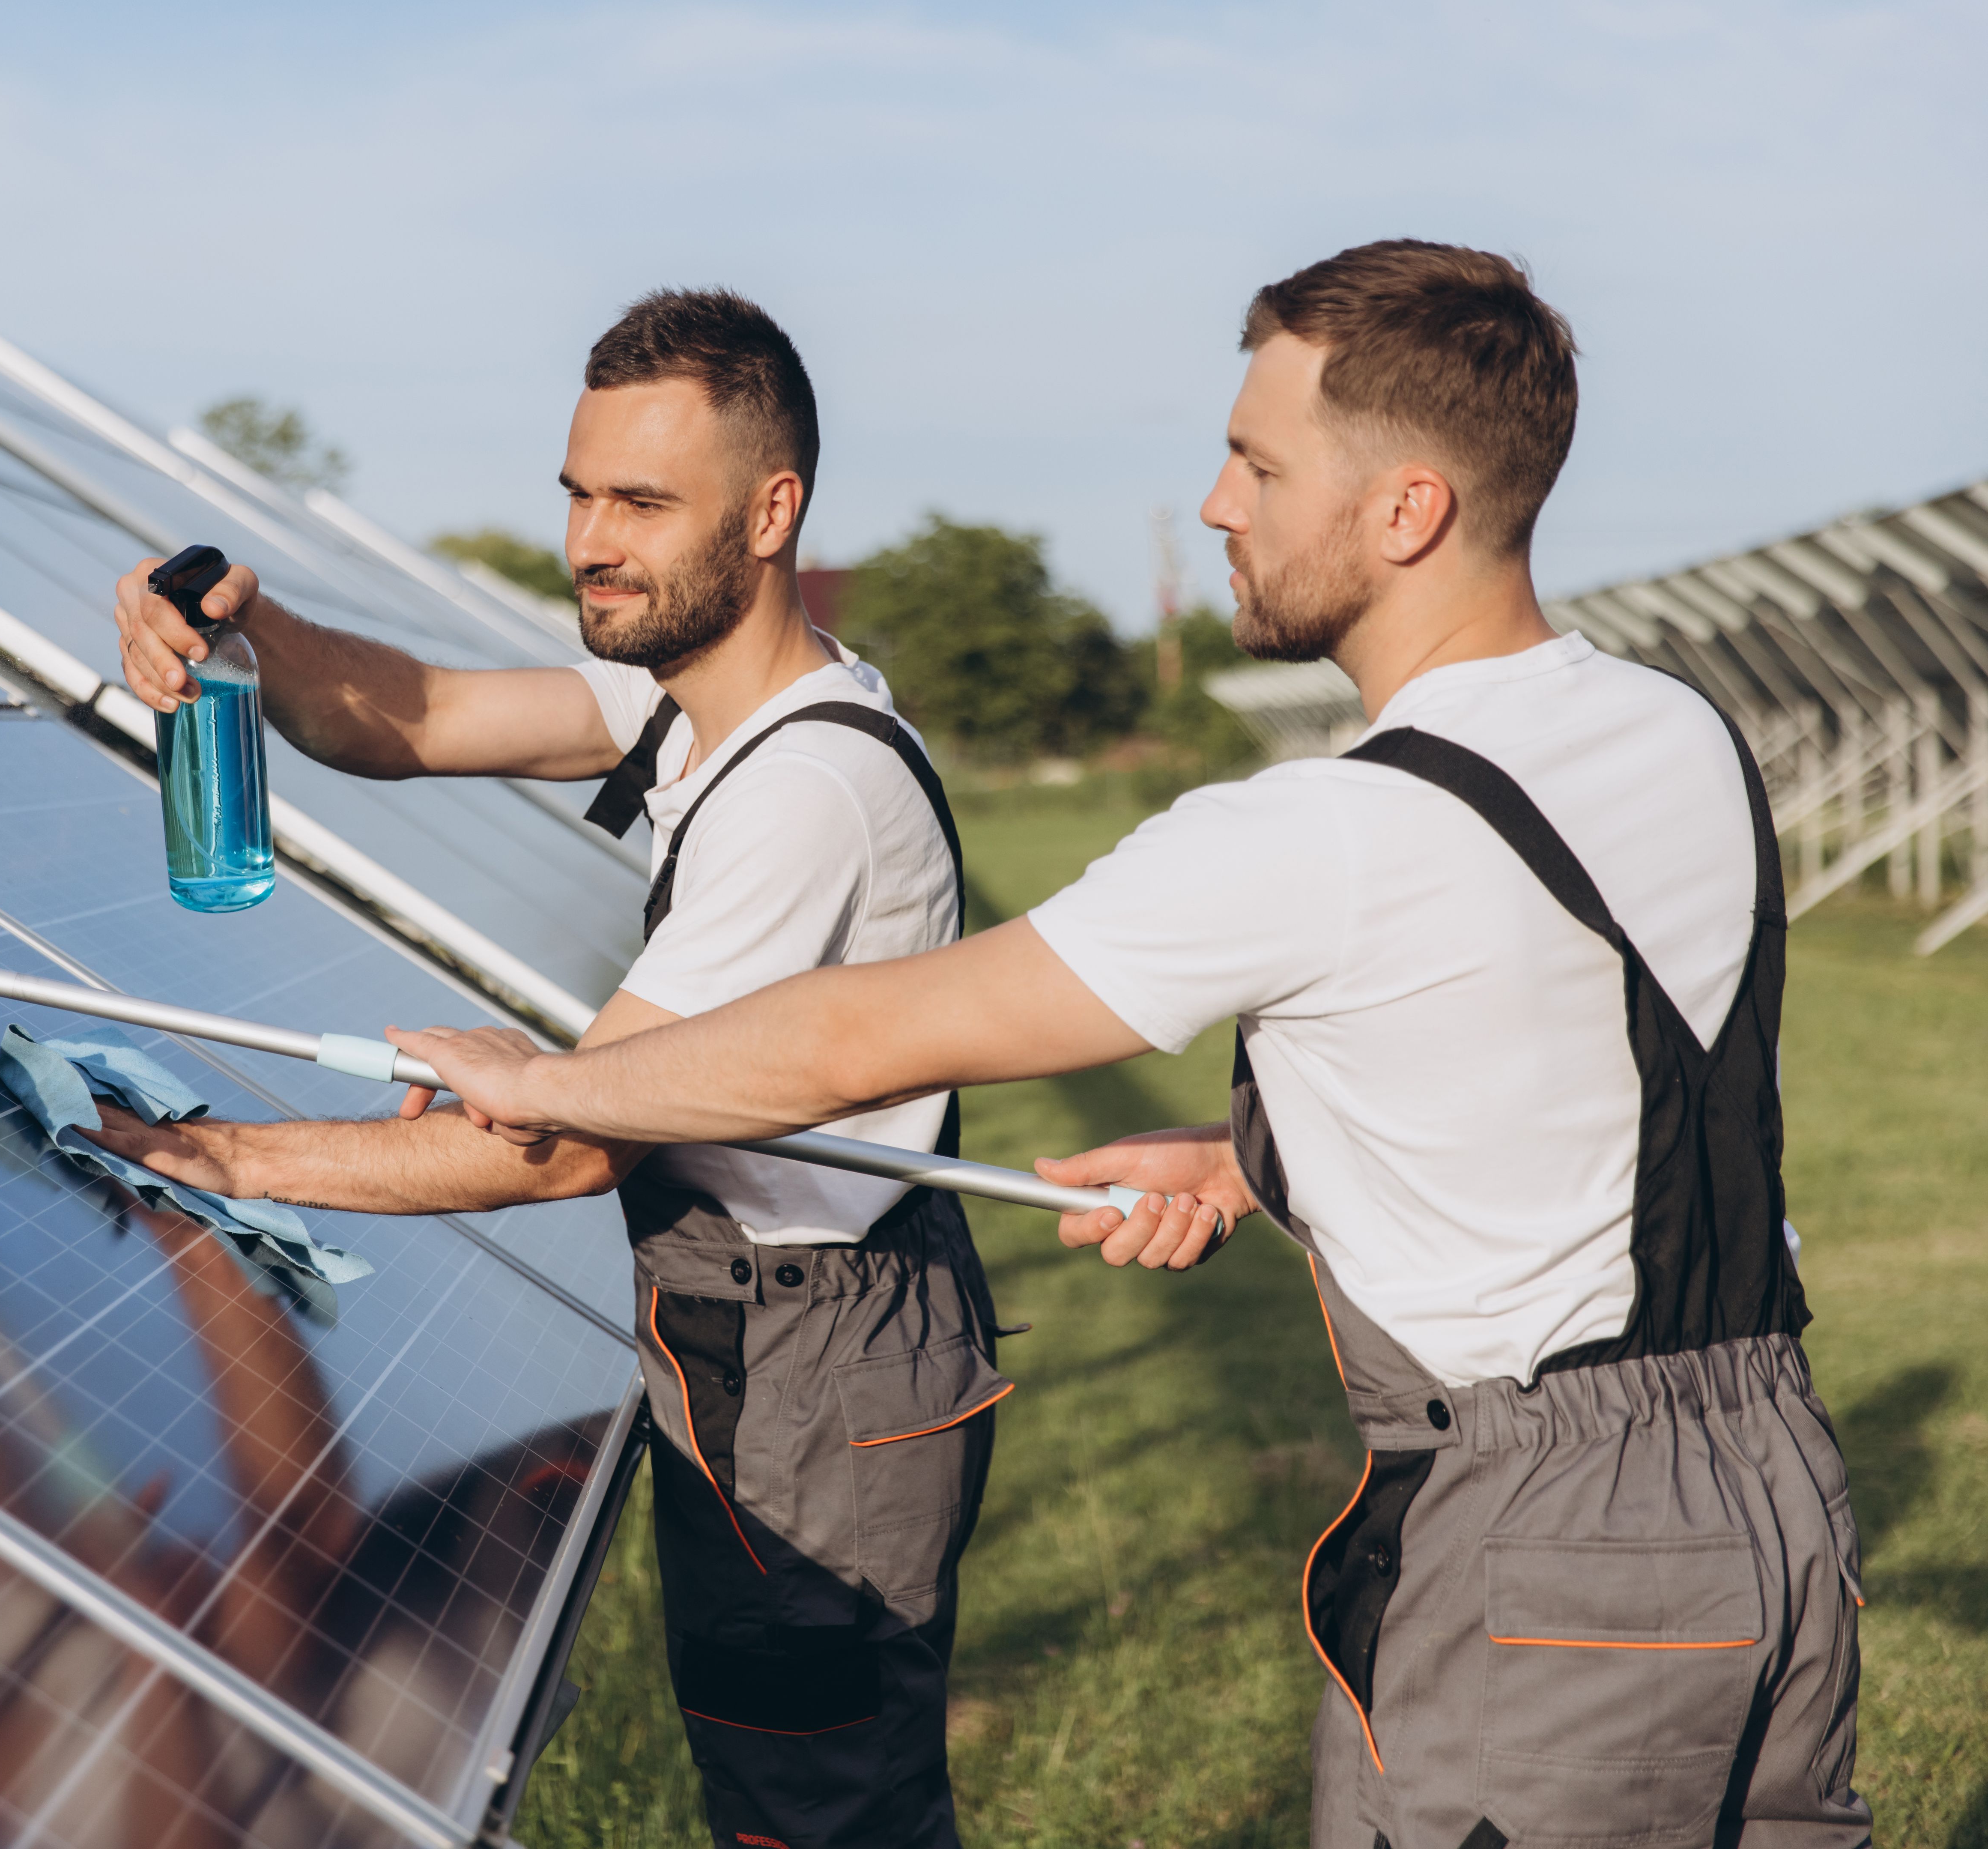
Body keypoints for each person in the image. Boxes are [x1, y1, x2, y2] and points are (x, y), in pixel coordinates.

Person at [398, 243, 1872, 1848]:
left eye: (1257, 461)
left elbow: (857, 1034)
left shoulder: (1327, 830)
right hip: (1783, 1496)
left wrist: (548, 1085)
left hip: (1550, 1567)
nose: (1218, 505)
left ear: (1407, 510)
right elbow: (1578, 1063)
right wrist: (1255, 1161)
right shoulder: (1677, 731)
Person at [105, 289, 1001, 1849]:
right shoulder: (701, 697)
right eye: (581, 493)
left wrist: (219, 1160)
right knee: (787, 1785)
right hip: (772, 1323)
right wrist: (245, 632)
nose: (595, 538)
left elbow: (570, 1141)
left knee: (820, 1810)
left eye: (644, 503)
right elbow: (418, 718)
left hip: (815, 1356)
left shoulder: (806, 794)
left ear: (773, 509)